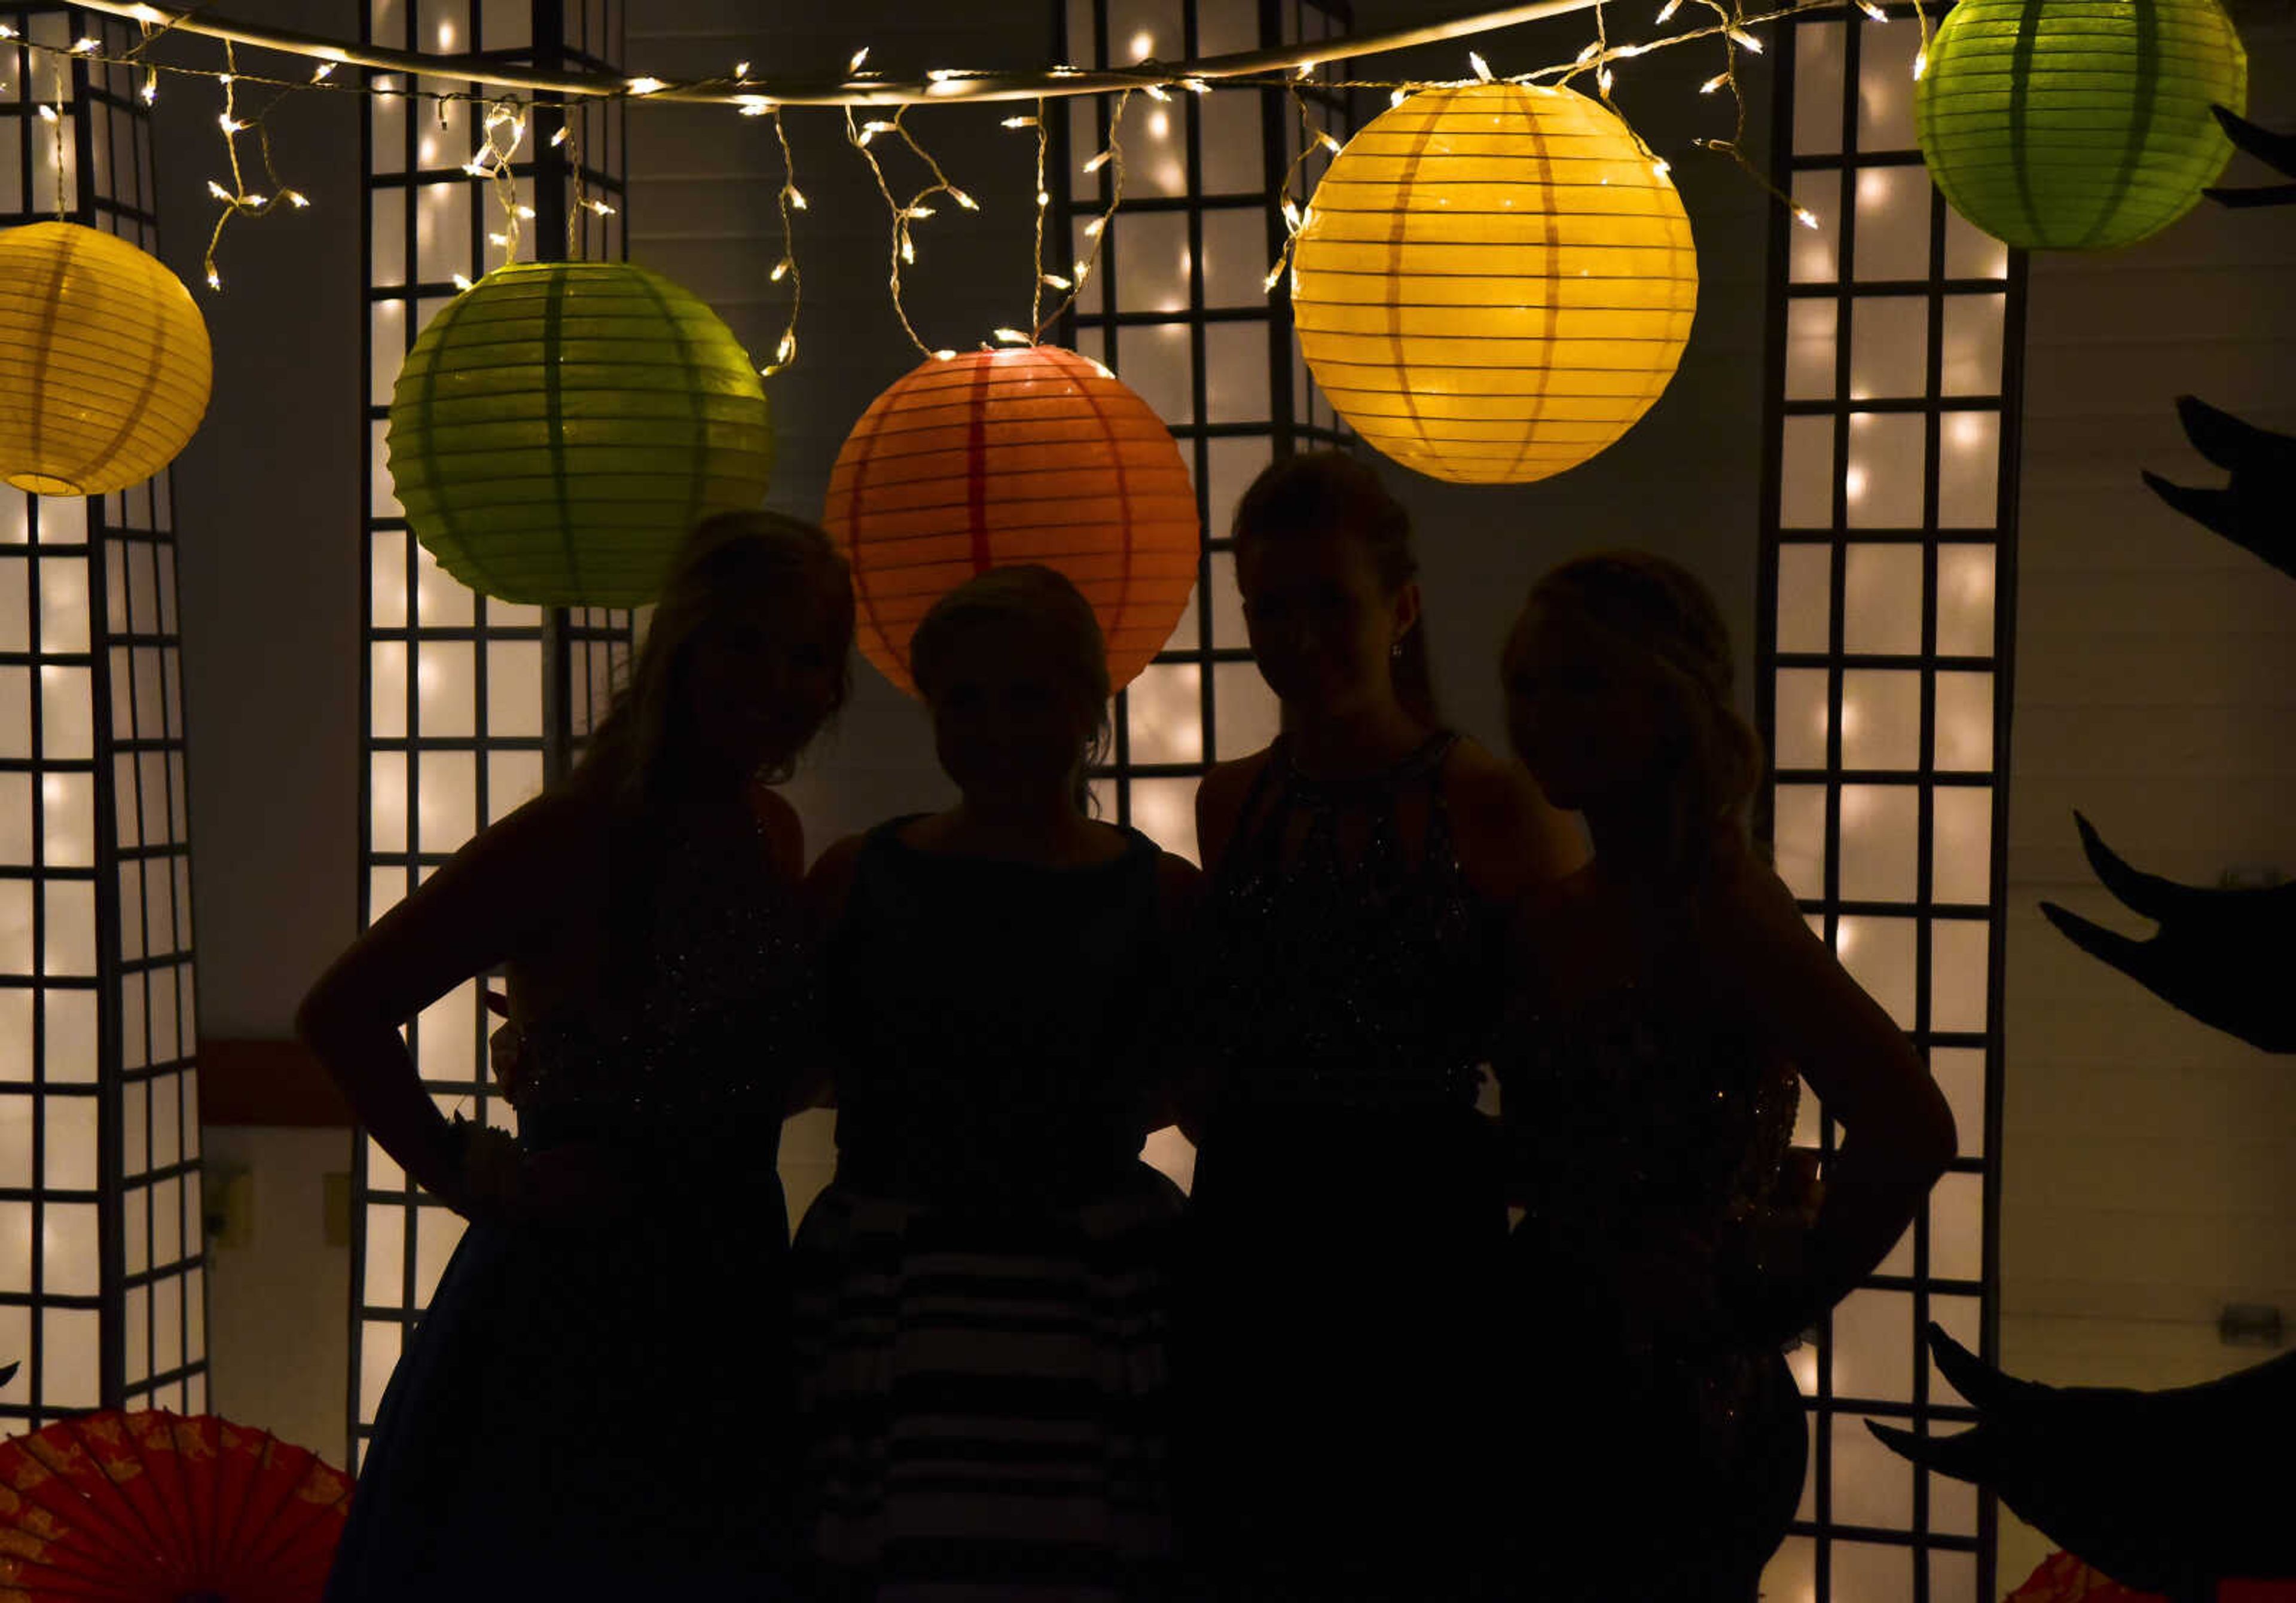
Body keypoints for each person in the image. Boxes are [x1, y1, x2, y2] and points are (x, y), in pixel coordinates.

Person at [301, 512, 854, 1601]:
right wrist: (473, 1175)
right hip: (569, 1314)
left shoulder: (771, 832)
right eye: (747, 641)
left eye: (806, 655)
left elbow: (737, 1062)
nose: (776, 680)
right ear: (682, 643)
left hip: (733, 1291)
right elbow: (342, 1010)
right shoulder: (574, 830)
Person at [1495, 551, 1958, 1601]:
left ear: (1666, 704)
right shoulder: (1552, 908)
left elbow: (1913, 1127)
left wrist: (1773, 1289)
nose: (1540, 715)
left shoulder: (1724, 907)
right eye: (1524, 684)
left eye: (1580, 682)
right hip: (1538, 1366)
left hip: (1672, 1407)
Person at [1175, 452, 1583, 1600]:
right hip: (1255, 1229)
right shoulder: (1231, 800)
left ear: (1400, 609)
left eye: (1328, 604)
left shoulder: (1492, 802)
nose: (1296, 636)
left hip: (1419, 1242)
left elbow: (1566, 1048)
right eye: (1270, 608)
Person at [793, 565, 1202, 1601]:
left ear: (1085, 704)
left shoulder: (1166, 896)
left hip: (1049, 1293)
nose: (994, 729)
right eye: (964, 700)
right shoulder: (851, 878)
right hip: (942, 1289)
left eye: (1027, 697)